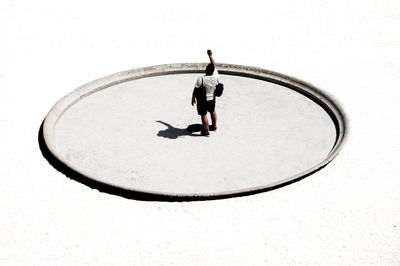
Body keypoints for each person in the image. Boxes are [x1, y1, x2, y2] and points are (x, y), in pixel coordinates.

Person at [191, 50, 218, 136]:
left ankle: (206, 131)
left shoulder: (201, 79)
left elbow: (195, 89)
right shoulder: (215, 77)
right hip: (212, 98)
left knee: (203, 114)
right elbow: (214, 66)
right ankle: (214, 126)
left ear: (206, 70)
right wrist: (210, 56)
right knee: (212, 111)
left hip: (203, 99)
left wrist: (193, 98)